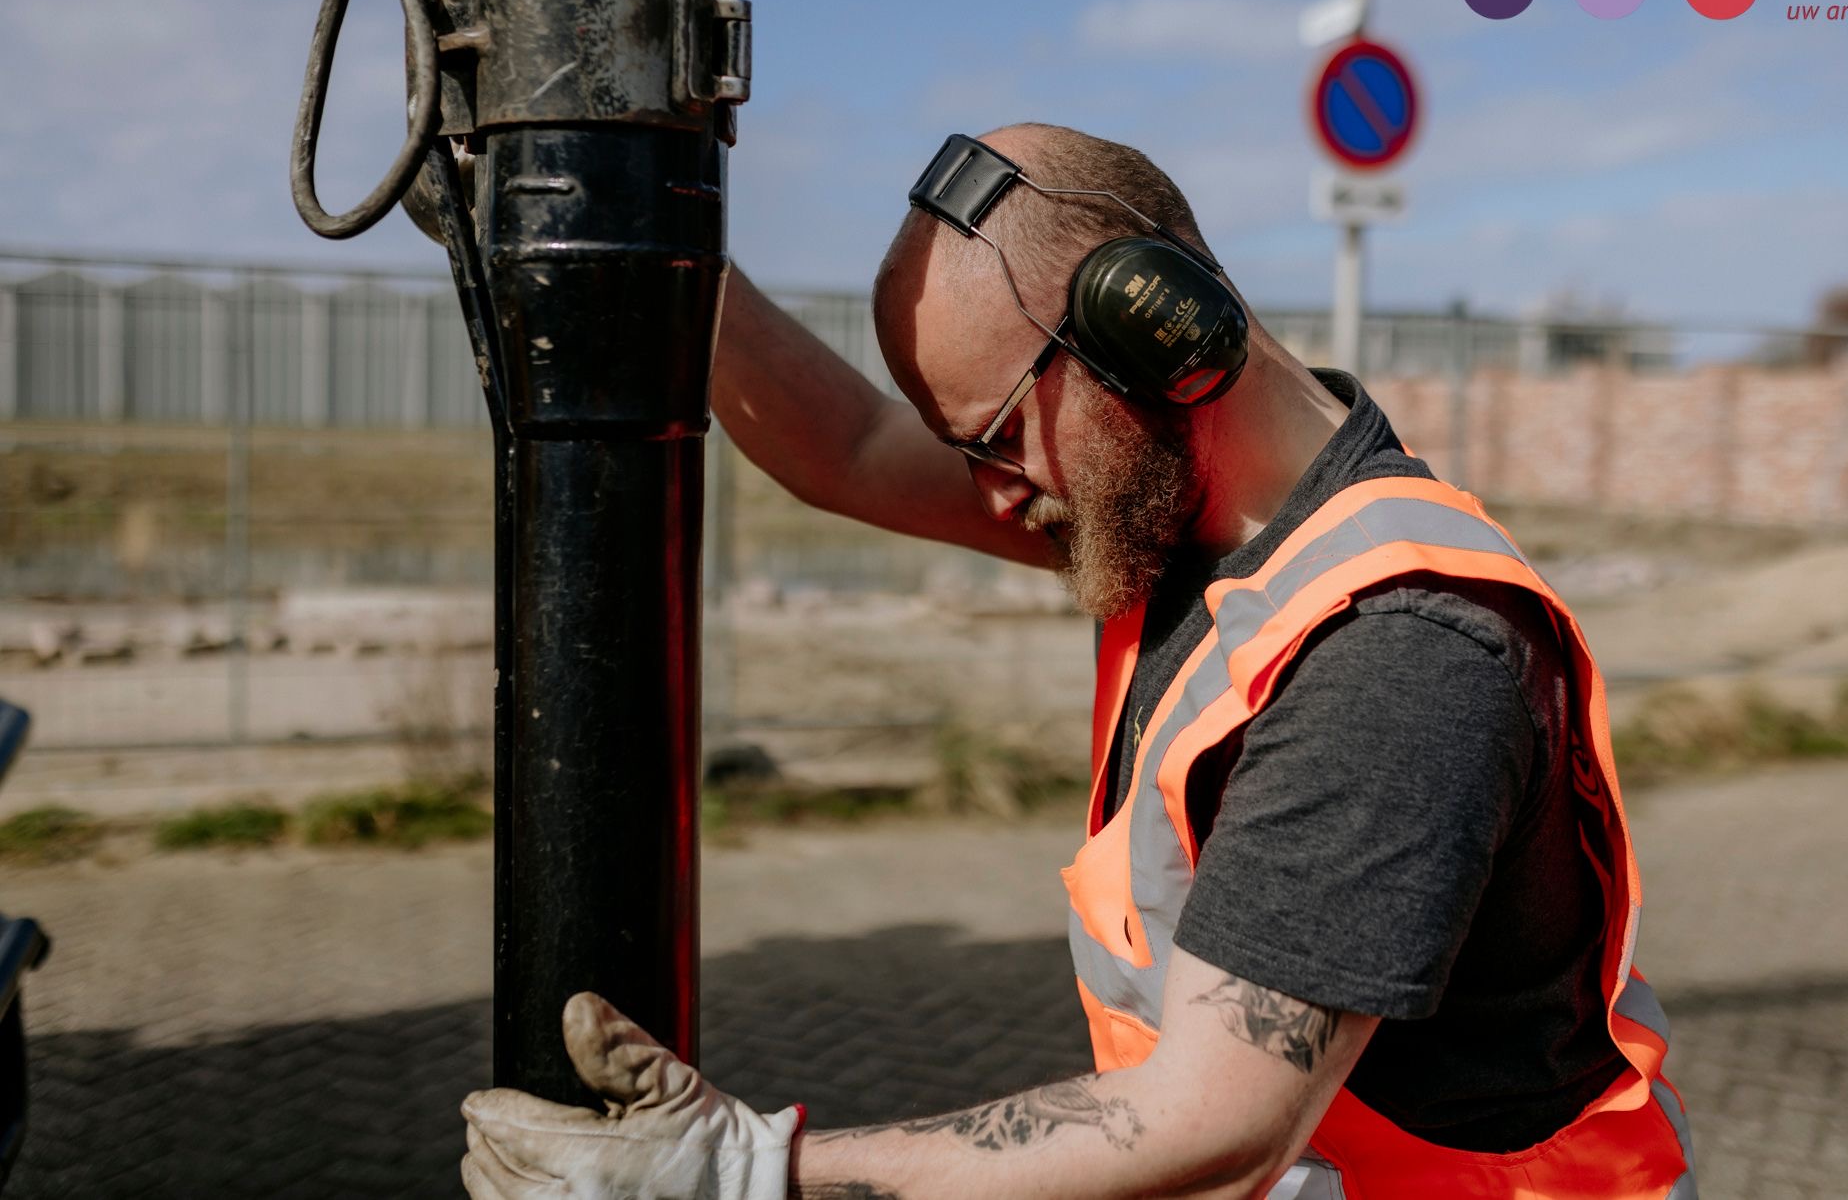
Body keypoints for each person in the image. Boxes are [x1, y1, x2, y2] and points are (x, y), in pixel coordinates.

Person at [459, 124, 1694, 1200]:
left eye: (998, 439)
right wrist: (603, 204)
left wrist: (747, 1172)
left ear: (1155, 333)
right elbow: (848, 446)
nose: (992, 495)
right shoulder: (1184, 524)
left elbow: (1214, 1127)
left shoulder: (1395, 655)